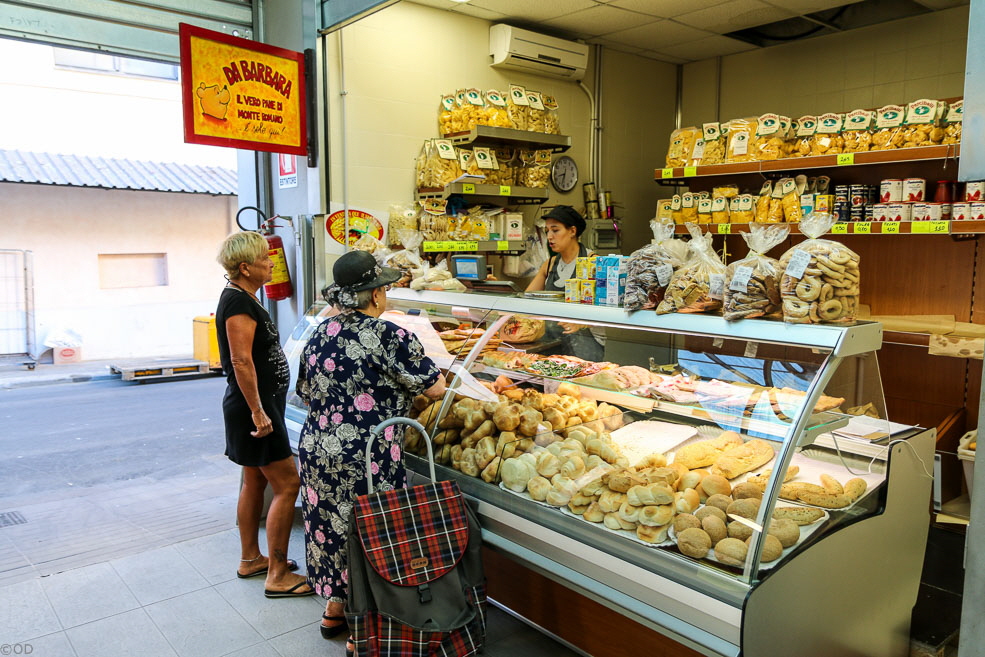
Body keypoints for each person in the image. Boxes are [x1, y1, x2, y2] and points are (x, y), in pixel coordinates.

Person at [296, 250, 446, 652]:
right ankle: (365, 629)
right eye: (386, 287)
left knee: (330, 528)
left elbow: (308, 392)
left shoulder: (320, 331)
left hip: (318, 449)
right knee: (371, 531)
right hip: (367, 455)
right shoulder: (390, 335)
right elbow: (434, 388)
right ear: (375, 295)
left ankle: (335, 608)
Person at [215, 231, 313, 598]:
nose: (271, 263)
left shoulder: (241, 297)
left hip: (253, 406)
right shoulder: (239, 304)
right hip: (252, 409)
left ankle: (250, 559)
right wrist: (258, 411)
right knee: (288, 485)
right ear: (245, 267)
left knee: (255, 481)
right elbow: (241, 360)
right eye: (264, 259)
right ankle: (276, 574)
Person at [525, 205, 605, 361]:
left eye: (555, 230)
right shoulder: (549, 264)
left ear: (572, 231)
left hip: (586, 345)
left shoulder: (594, 262)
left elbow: (605, 309)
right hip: (551, 343)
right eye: (547, 231)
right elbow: (527, 300)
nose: (549, 236)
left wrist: (581, 324)